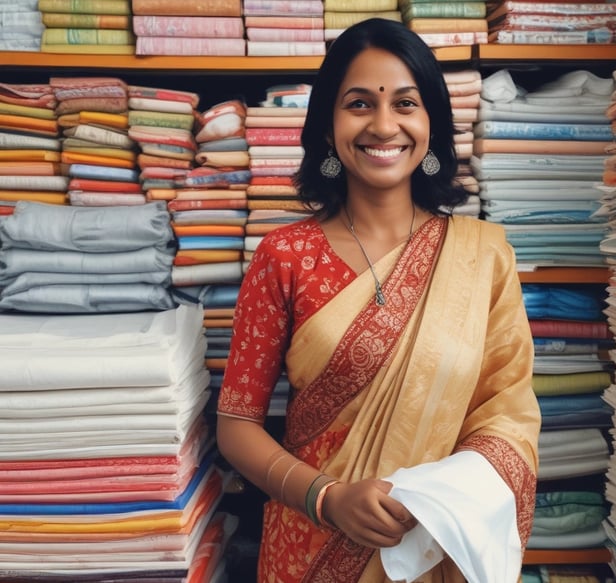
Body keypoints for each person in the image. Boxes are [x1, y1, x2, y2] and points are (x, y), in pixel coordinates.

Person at [216, 17, 540, 583]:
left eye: (405, 104)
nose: (384, 125)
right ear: (327, 127)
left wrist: (437, 499)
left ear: (431, 122)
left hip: (433, 547)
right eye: (360, 104)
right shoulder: (284, 255)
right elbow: (236, 424)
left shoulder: (482, 257)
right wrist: (327, 498)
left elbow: (507, 418)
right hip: (309, 547)